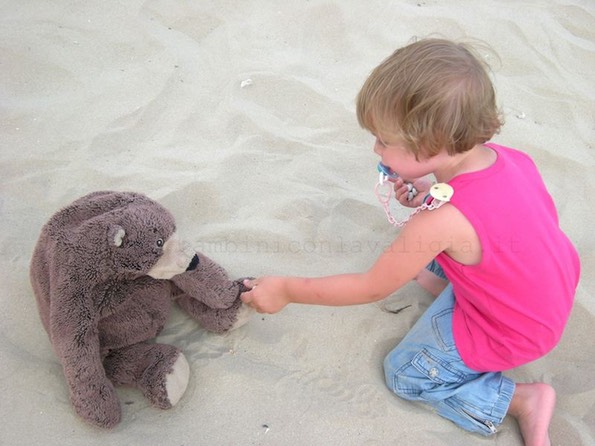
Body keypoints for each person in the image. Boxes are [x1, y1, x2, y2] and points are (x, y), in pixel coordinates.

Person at [240, 38, 580, 446]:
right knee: (451, 245)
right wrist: (430, 190)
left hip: (511, 329)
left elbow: (371, 287)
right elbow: (502, 222)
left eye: (384, 141)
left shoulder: (440, 223)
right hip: (544, 290)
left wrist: (287, 290)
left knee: (406, 373)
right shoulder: (509, 158)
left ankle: (520, 401)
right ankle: (448, 287)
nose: (375, 147)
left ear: (432, 147)